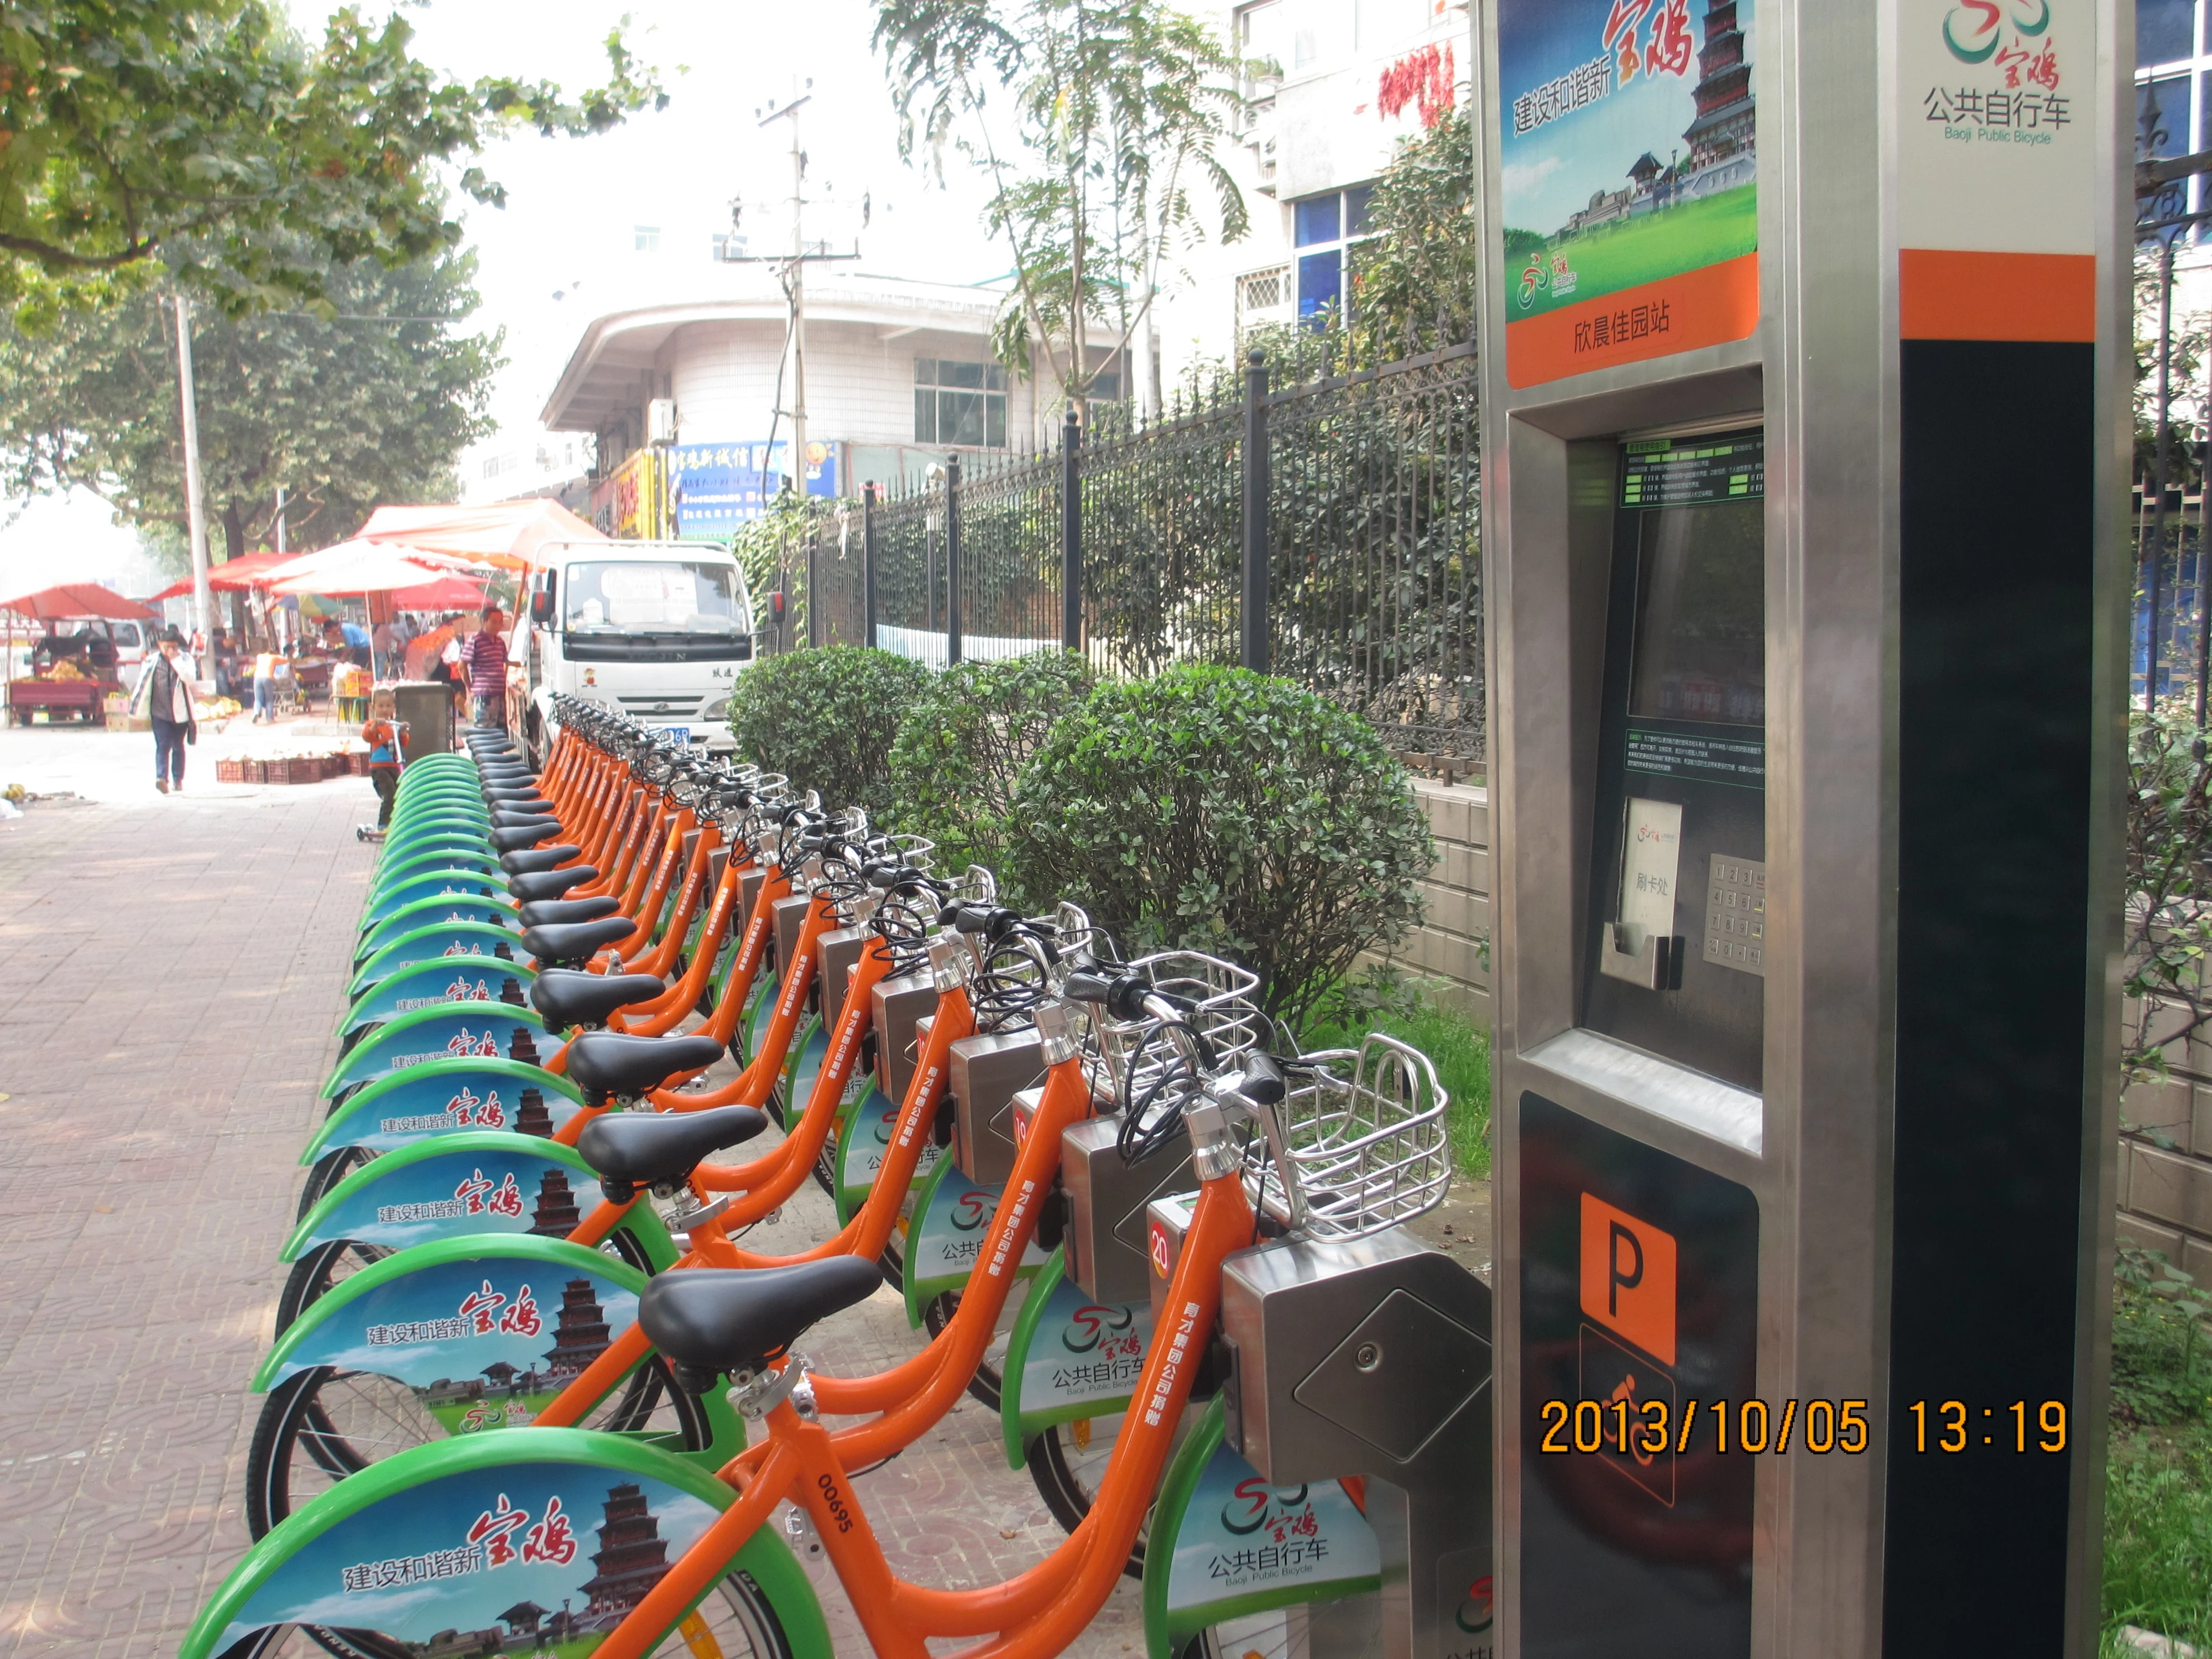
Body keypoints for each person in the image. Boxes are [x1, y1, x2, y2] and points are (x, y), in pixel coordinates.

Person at [145, 627, 198, 794]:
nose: (171, 650)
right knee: (163, 745)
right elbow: (144, 684)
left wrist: (177, 661)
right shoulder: (152, 661)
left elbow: (189, 679)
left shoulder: (186, 659)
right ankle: (161, 778)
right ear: (160, 645)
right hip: (159, 712)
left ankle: (178, 779)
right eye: (167, 647)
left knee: (178, 746)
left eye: (174, 647)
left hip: (180, 713)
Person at [361, 687, 405, 828]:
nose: (385, 710)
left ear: (394, 707)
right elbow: (367, 736)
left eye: (388, 706)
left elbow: (403, 743)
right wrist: (375, 726)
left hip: (394, 766)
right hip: (379, 768)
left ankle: (396, 822)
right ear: (374, 707)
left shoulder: (394, 726)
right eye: (381, 706)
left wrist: (403, 731)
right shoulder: (373, 724)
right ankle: (384, 824)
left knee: (400, 794)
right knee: (390, 794)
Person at [461, 604, 509, 730]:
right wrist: (470, 688)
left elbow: (507, 661)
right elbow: (462, 665)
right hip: (485, 696)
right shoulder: (475, 640)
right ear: (485, 622)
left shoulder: (500, 642)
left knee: (500, 732)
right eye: (494, 622)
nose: (498, 626)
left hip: (500, 694)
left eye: (500, 622)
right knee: (485, 731)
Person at [251, 645, 279, 722]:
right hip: (268, 678)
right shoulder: (274, 658)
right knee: (269, 699)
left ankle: (256, 713)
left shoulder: (260, 657)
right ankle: (270, 718)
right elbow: (285, 660)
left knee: (258, 699)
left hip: (257, 678)